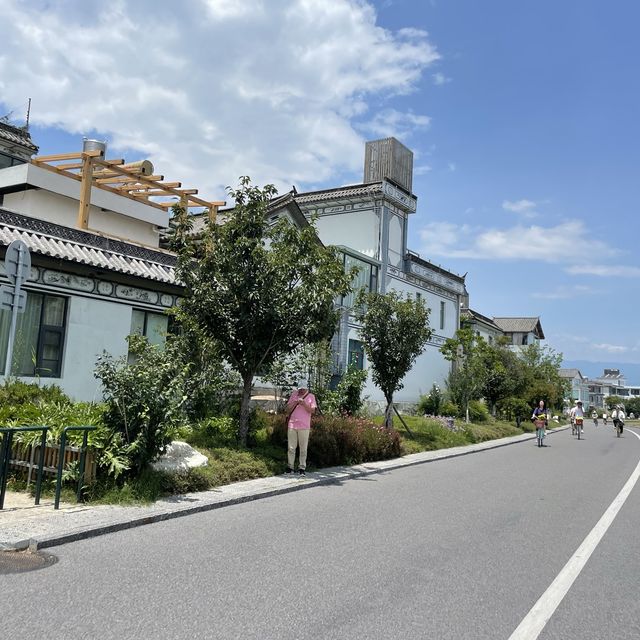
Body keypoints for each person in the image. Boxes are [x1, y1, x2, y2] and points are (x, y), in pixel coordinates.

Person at [285, 379, 317, 476]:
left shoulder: (311, 396)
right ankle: (290, 467)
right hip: (292, 425)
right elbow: (288, 409)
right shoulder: (294, 395)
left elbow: (313, 411)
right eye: (300, 389)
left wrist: (304, 404)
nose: (301, 391)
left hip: (304, 426)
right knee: (291, 447)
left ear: (306, 388)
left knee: (303, 448)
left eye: (303, 389)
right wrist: (295, 402)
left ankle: (302, 468)